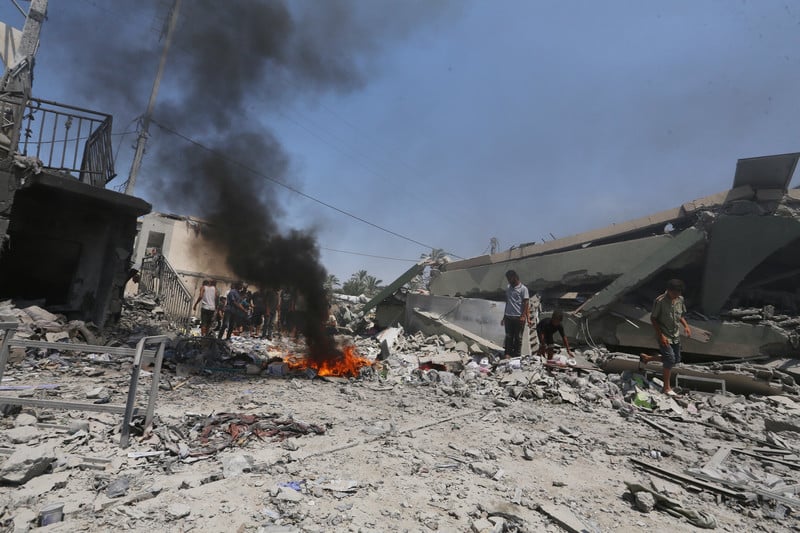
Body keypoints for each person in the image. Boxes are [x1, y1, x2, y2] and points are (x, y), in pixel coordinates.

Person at [642, 279, 692, 396]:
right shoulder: (660, 301)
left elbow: (679, 315)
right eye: (674, 293)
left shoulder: (680, 300)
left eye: (679, 293)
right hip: (664, 335)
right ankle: (666, 387)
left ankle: (648, 359)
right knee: (669, 360)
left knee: (675, 359)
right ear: (669, 291)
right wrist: (661, 335)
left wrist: (686, 326)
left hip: (675, 335)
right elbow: (653, 319)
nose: (677, 295)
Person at [501, 270, 529, 359]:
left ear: (514, 278)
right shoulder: (508, 287)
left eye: (509, 279)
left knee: (518, 338)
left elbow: (526, 303)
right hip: (509, 317)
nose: (508, 281)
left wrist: (523, 316)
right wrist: (504, 316)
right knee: (508, 336)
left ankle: (517, 356)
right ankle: (508, 353)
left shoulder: (523, 289)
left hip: (518, 318)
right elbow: (507, 302)